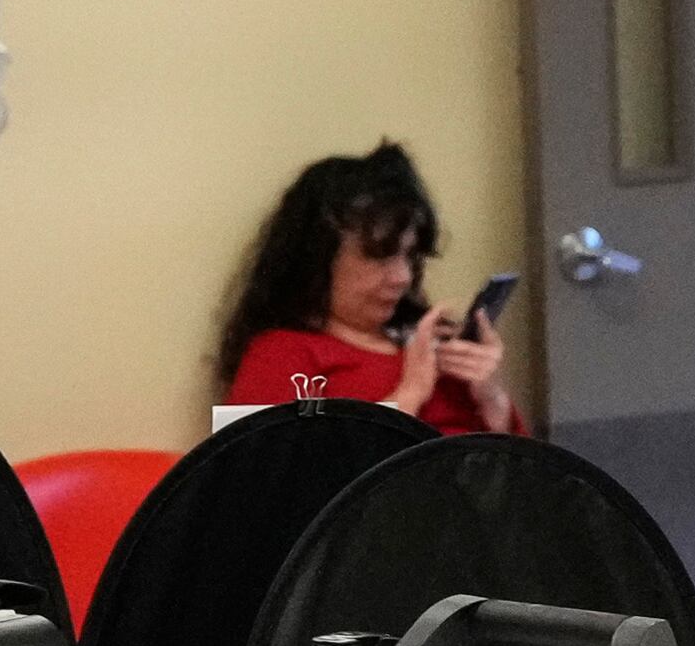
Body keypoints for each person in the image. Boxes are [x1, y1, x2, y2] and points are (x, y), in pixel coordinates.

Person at [209, 141, 516, 431]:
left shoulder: (439, 345)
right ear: (319, 258)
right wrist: (408, 395)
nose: (403, 277)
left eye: (409, 255)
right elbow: (273, 478)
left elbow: (528, 473)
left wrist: (493, 400)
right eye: (379, 256)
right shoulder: (282, 355)